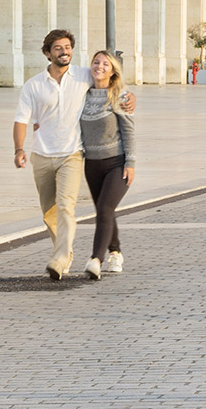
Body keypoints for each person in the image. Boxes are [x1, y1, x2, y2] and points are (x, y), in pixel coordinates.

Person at [11, 28, 132, 280]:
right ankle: (68, 251)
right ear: (47, 53)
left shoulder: (81, 75)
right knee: (50, 211)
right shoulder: (33, 85)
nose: (64, 52)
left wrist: (129, 98)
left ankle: (64, 257)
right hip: (42, 154)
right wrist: (19, 149)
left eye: (67, 47)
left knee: (68, 206)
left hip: (73, 154)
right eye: (58, 48)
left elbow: (109, 77)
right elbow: (21, 120)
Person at [80, 49, 135, 280]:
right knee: (105, 210)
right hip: (91, 163)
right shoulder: (82, 94)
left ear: (113, 71)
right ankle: (116, 252)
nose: (99, 66)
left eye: (105, 64)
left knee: (104, 209)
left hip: (116, 163)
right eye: (96, 62)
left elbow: (129, 129)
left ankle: (96, 259)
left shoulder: (120, 95)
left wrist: (130, 162)